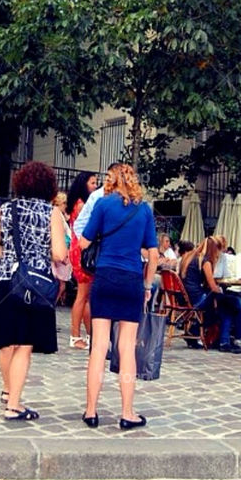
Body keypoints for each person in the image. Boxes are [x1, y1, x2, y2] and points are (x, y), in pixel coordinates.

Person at [0, 161, 68, 420]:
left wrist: (10, 257)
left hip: (6, 281)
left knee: (6, 341)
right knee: (24, 345)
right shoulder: (51, 212)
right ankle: (14, 406)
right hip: (34, 285)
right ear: (48, 186)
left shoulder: (5, 209)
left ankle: (8, 391)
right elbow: (59, 252)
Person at [79, 163, 158, 430]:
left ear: (111, 180)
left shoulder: (103, 205)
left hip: (105, 277)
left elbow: (84, 241)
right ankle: (127, 412)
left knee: (99, 347)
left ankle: (91, 411)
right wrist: (147, 285)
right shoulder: (144, 210)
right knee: (126, 348)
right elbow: (154, 254)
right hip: (131, 280)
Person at [66, 172, 98, 349]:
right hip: (82, 252)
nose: (95, 186)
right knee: (82, 296)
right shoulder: (81, 205)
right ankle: (75, 336)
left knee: (86, 296)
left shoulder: (77, 203)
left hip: (79, 250)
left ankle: (88, 334)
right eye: (92, 182)